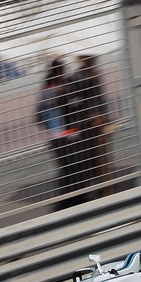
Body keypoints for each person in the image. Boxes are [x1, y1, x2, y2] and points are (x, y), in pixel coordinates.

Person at [62, 54, 113, 201]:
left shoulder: (94, 73)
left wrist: (104, 115)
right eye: (90, 58)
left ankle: (107, 189)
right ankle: (98, 190)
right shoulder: (77, 76)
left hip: (99, 123)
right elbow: (73, 100)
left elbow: (100, 98)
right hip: (87, 124)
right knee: (92, 158)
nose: (94, 61)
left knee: (102, 158)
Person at [34, 57, 73, 207]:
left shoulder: (45, 90)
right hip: (65, 135)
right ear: (58, 71)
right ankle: (68, 199)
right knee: (70, 167)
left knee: (65, 167)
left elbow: (38, 116)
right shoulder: (59, 90)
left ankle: (67, 198)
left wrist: (49, 126)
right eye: (63, 71)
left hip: (54, 136)